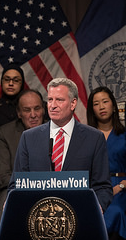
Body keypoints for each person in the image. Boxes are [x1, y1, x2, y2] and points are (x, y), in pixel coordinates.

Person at [10, 78, 112, 211]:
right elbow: (16, 184)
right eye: (50, 100)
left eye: (59, 100)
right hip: (38, 216)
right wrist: (12, 201)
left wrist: (97, 207)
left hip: (79, 213)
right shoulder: (28, 138)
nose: (52, 105)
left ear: (73, 103)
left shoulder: (94, 138)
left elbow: (103, 186)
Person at [0, 89, 46, 240]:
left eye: (37, 108)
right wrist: (32, 181)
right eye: (27, 110)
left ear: (44, 109)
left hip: (51, 187)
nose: (33, 114)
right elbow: (1, 178)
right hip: (15, 188)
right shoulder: (5, 133)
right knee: (6, 199)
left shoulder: (57, 129)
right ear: (19, 113)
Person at [88, 86, 126, 240]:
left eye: (105, 101)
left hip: (122, 187)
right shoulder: (86, 136)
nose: (101, 107)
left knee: (115, 212)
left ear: (114, 106)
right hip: (93, 188)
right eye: (96, 103)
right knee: (92, 215)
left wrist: (119, 187)